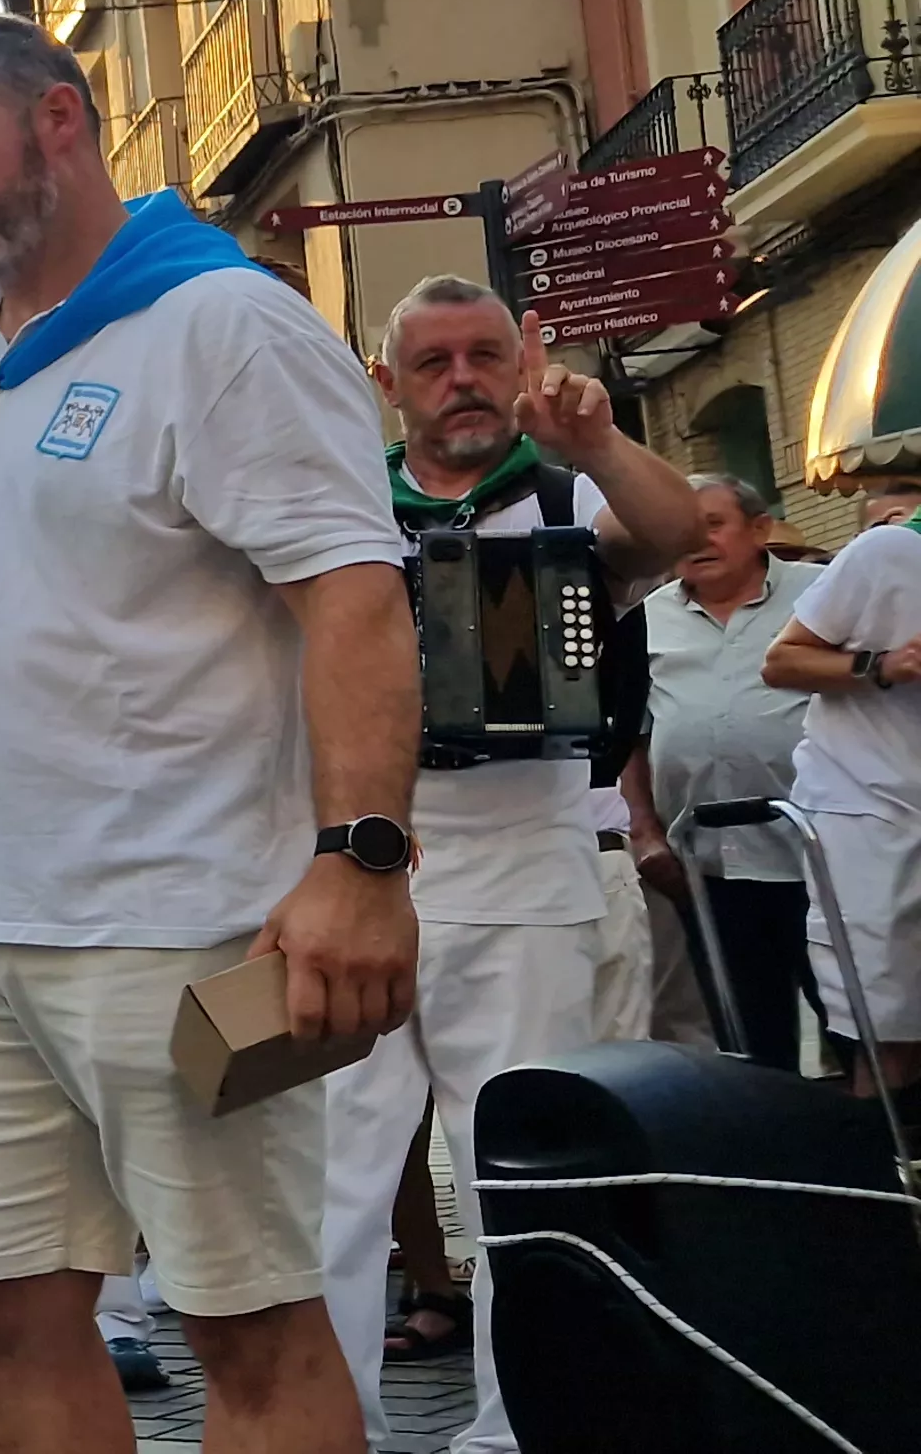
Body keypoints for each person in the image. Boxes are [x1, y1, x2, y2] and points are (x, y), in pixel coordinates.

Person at [0, 17, 417, 1454]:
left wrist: (360, 861)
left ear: (59, 122)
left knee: (248, 1323)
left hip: (182, 926)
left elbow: (355, 600)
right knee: (5, 1316)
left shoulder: (223, 323)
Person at [316, 275, 698, 1451]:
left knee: (514, 1173)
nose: (463, 380)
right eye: (431, 363)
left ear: (516, 361)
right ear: (387, 384)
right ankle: (332, 1426)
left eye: (484, 354)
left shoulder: (563, 495)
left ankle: (512, 1433)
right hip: (348, 860)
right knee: (330, 1173)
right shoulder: (337, 512)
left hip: (522, 861)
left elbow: (677, 535)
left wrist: (595, 438)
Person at [627, 474, 822, 1070]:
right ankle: (781, 1160)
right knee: (748, 1038)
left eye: (713, 524)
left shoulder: (821, 595)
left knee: (857, 1023)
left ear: (760, 529)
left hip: (823, 856)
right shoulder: (645, 619)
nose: (697, 540)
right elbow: (630, 737)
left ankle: (879, 1151)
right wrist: (645, 830)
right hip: (708, 864)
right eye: (683, 529)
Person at [756, 476, 921, 1105]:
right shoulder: (887, 553)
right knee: (888, 1022)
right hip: (872, 808)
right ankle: (880, 1179)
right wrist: (881, 665)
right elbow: (781, 661)